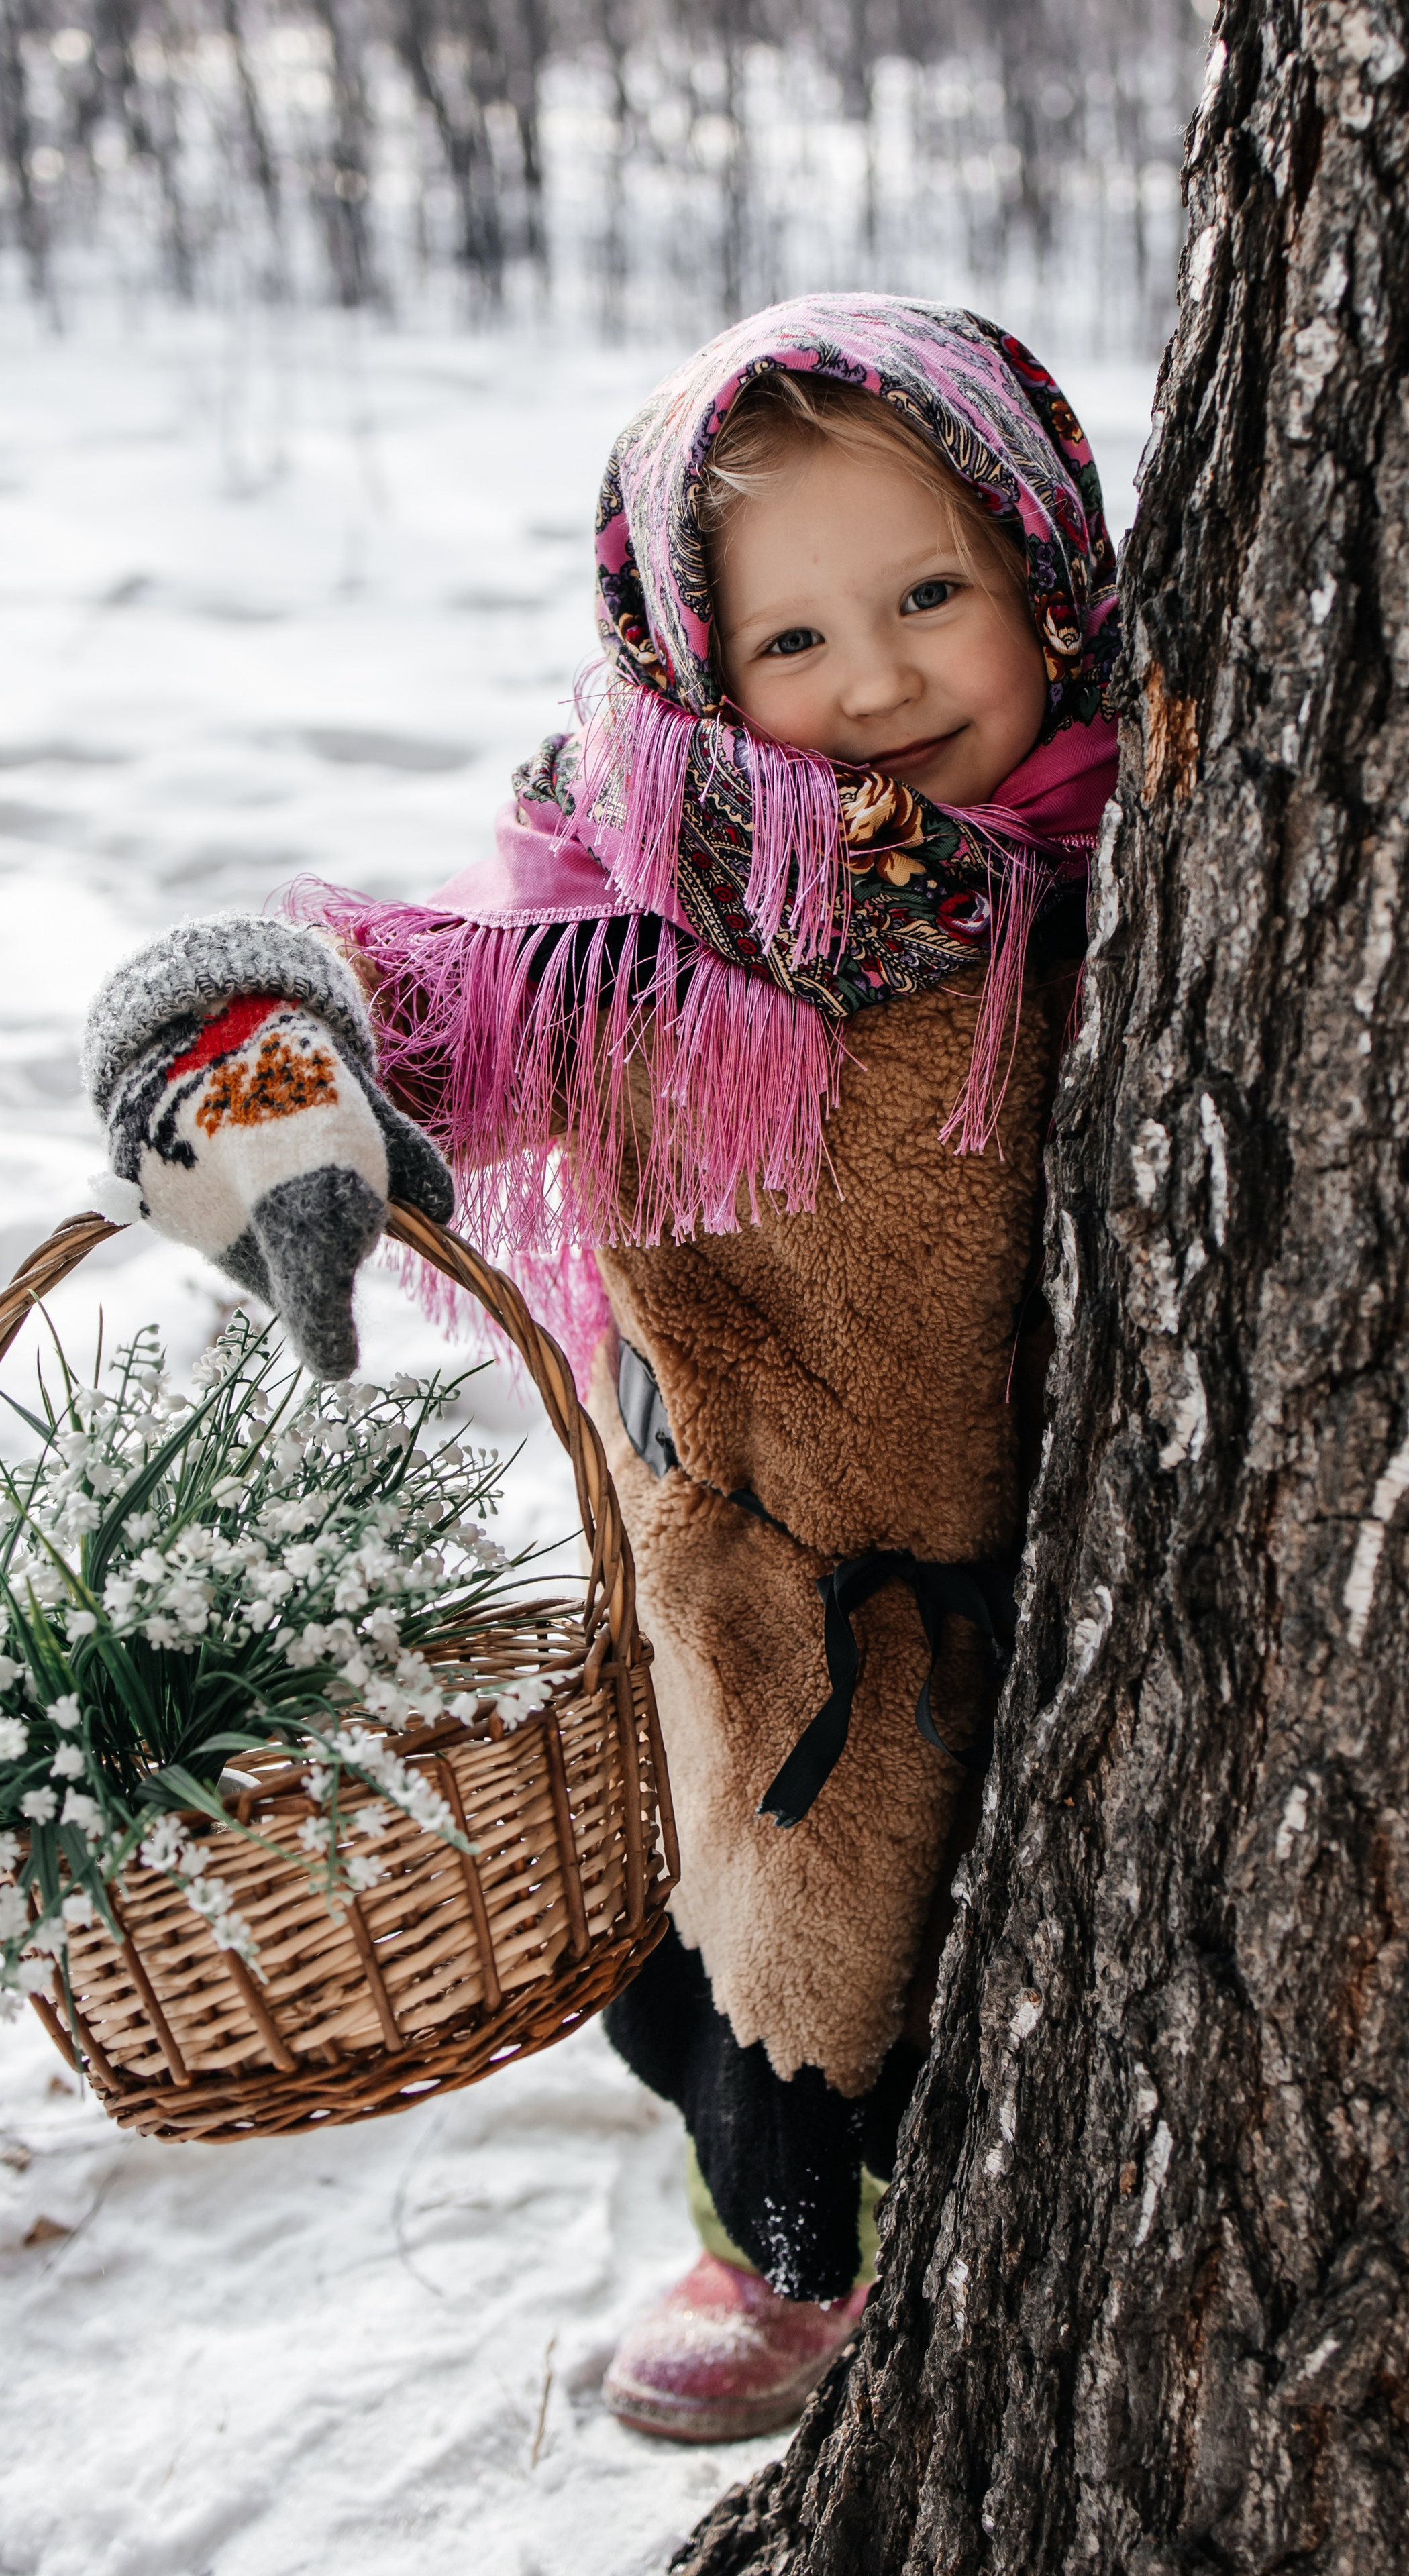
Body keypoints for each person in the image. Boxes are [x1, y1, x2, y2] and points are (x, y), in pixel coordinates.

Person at [79, 294, 1120, 2443]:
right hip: (771, 1591)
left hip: (1069, 1581)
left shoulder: (1150, 849)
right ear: (690, 662)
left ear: (1047, 563)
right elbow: (419, 1005)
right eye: (792, 639)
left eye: (932, 595)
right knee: (755, 1978)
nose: (879, 681)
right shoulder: (656, 936)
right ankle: (781, 2258)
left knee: (988, 1970)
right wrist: (252, 1054)